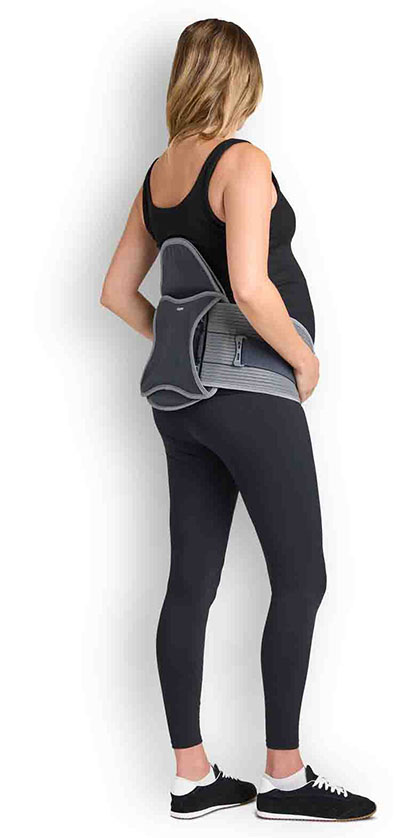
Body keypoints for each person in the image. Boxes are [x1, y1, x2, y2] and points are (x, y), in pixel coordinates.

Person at [101, 18, 376, 822]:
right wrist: (303, 361)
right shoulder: (241, 161)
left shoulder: (158, 176)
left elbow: (116, 293)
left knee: (191, 581)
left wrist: (181, 348)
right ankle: (284, 779)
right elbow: (252, 287)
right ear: (240, 80)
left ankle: (192, 778)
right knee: (302, 578)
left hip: (180, 405)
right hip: (252, 394)